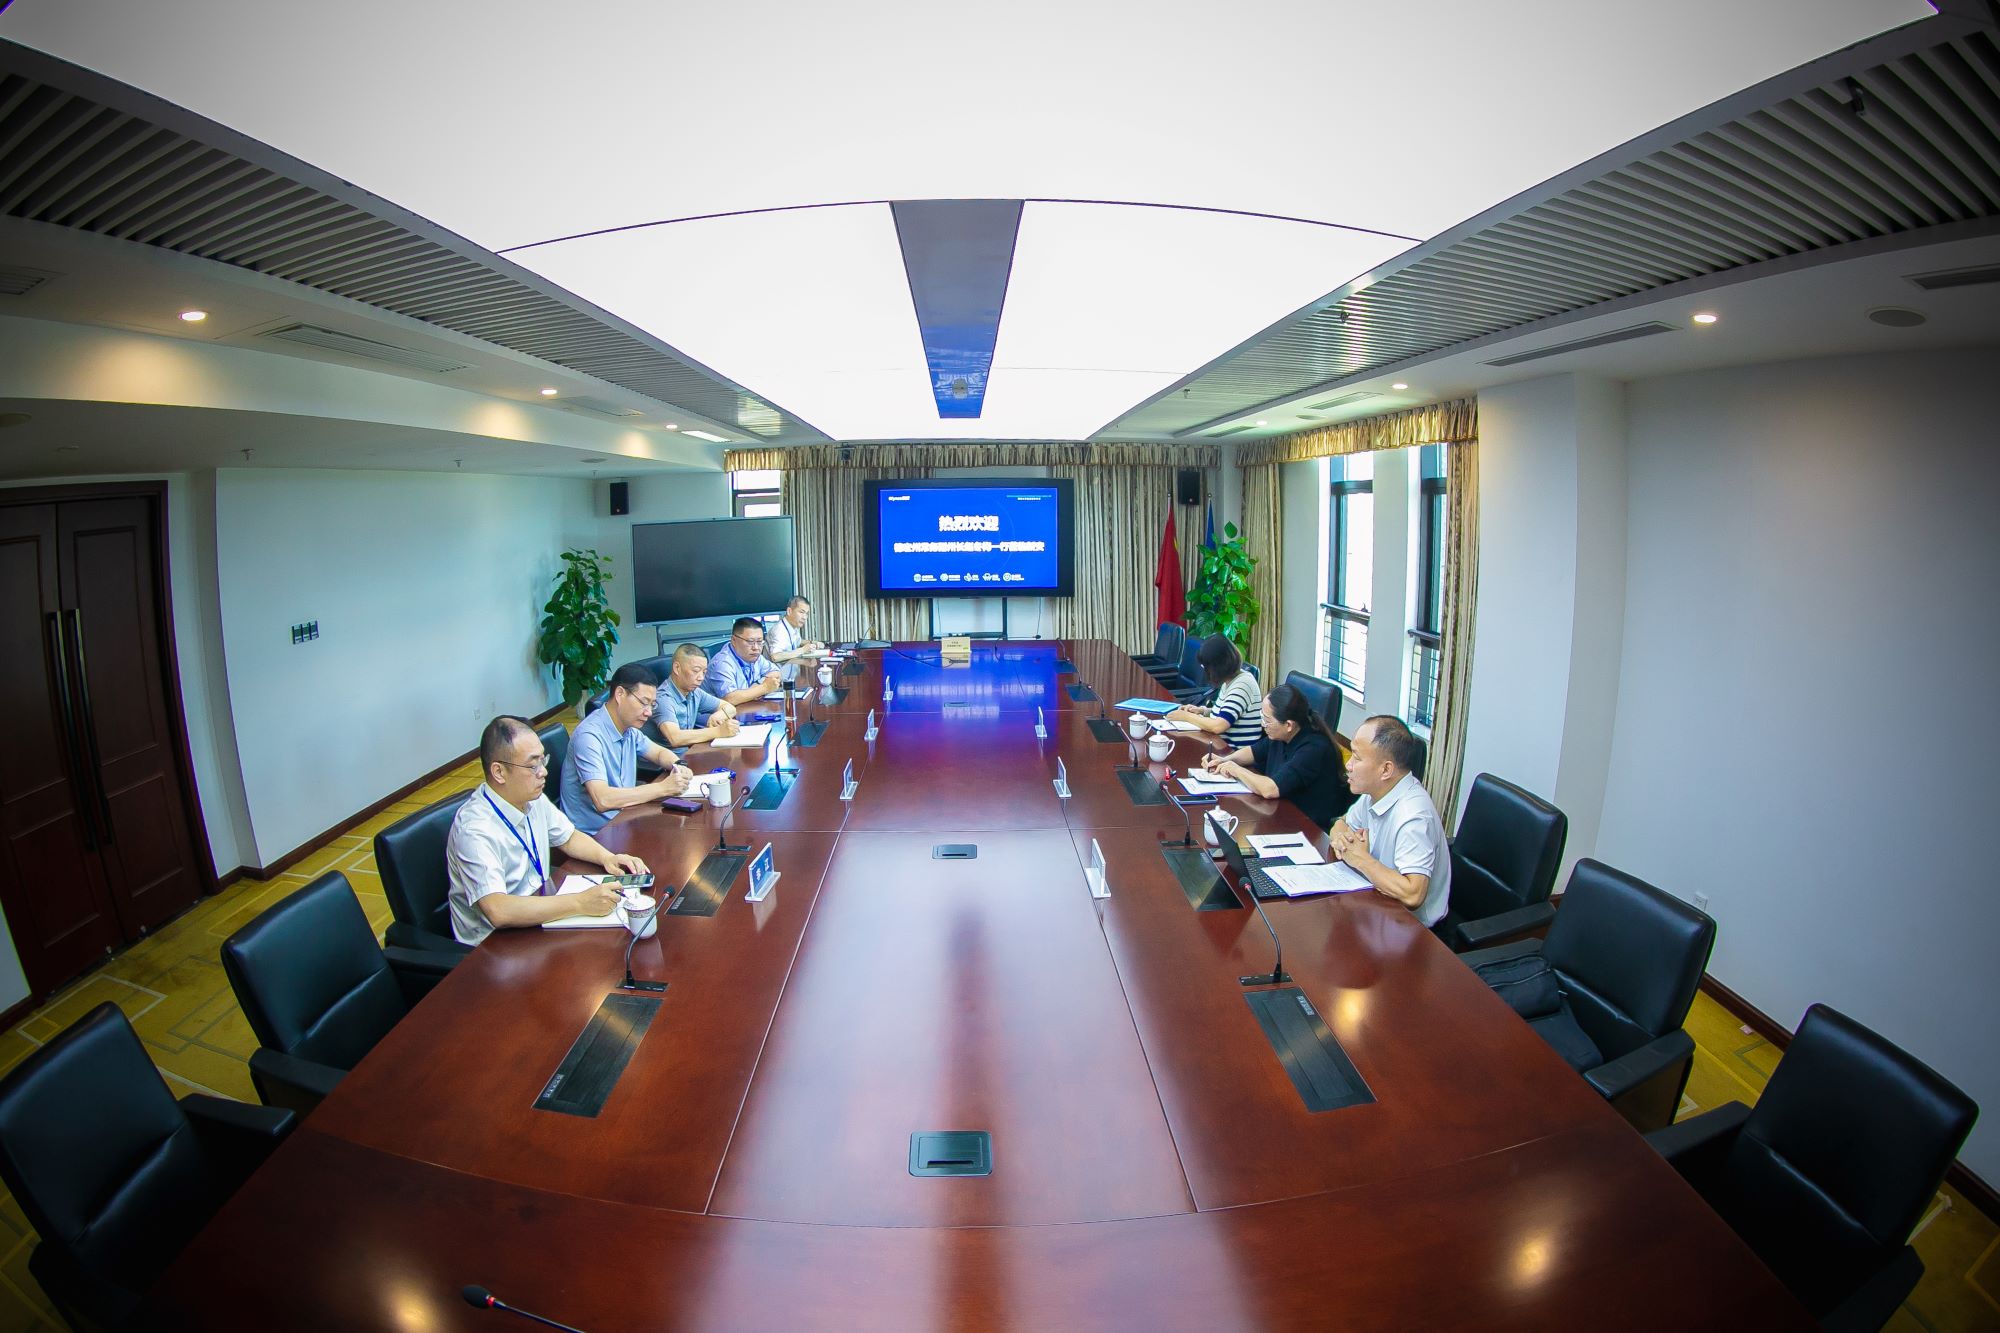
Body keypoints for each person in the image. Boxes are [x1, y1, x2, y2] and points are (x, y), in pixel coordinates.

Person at [446, 715, 651, 946]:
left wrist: (608, 857)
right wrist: (579, 903)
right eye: (532, 765)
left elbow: (568, 837)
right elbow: (498, 909)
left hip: (540, 909)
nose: (543, 772)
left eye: (543, 760)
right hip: (494, 944)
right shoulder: (475, 829)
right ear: (499, 772)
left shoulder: (530, 797)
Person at [1330, 714, 1451, 927]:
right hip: (1378, 906)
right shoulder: (1376, 791)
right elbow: (1341, 823)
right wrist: (1342, 840)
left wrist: (1360, 859)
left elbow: (1413, 894)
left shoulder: (1413, 816)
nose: (1348, 765)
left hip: (1415, 929)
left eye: (1357, 757)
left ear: (1386, 769)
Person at [558, 663, 694, 834]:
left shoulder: (629, 729)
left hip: (624, 819)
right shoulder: (589, 737)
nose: (649, 712)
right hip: (595, 834)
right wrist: (663, 788)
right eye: (644, 703)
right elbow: (603, 799)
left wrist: (679, 765)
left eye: (652, 705)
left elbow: (659, 753)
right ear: (620, 694)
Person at [1199, 683, 1352, 829]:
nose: (1263, 724)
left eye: (1267, 720)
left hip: (1307, 826)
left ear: (1288, 725)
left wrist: (1236, 770)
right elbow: (1254, 751)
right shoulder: (1282, 735)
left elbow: (1271, 789)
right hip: (1280, 811)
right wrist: (1223, 760)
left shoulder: (1314, 748)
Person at [1166, 637, 1263, 749]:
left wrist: (1186, 716)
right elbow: (1228, 713)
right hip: (1219, 745)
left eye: (1206, 667)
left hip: (1233, 752)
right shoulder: (1231, 679)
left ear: (1218, 667)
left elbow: (1219, 726)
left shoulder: (1242, 685)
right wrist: (1203, 711)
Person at [657, 643, 741, 752]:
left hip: (690, 753)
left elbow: (730, 707)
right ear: (677, 668)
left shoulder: (695, 692)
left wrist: (719, 715)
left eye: (704, 672)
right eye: (696, 671)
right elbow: (675, 738)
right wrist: (719, 731)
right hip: (670, 760)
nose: (701, 678)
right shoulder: (663, 698)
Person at [704, 616, 785, 705]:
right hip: (716, 713)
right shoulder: (722, 663)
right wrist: (764, 687)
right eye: (750, 642)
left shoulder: (754, 656)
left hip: (746, 708)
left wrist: (757, 684)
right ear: (734, 640)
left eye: (759, 642)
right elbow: (729, 699)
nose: (756, 648)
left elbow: (776, 672)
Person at [765, 594, 825, 685]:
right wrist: (803, 650)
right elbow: (776, 657)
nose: (804, 617)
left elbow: (797, 641)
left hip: (791, 677)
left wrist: (812, 643)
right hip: (777, 683)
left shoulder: (792, 626)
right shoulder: (779, 631)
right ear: (789, 611)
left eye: (806, 613)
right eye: (801, 612)